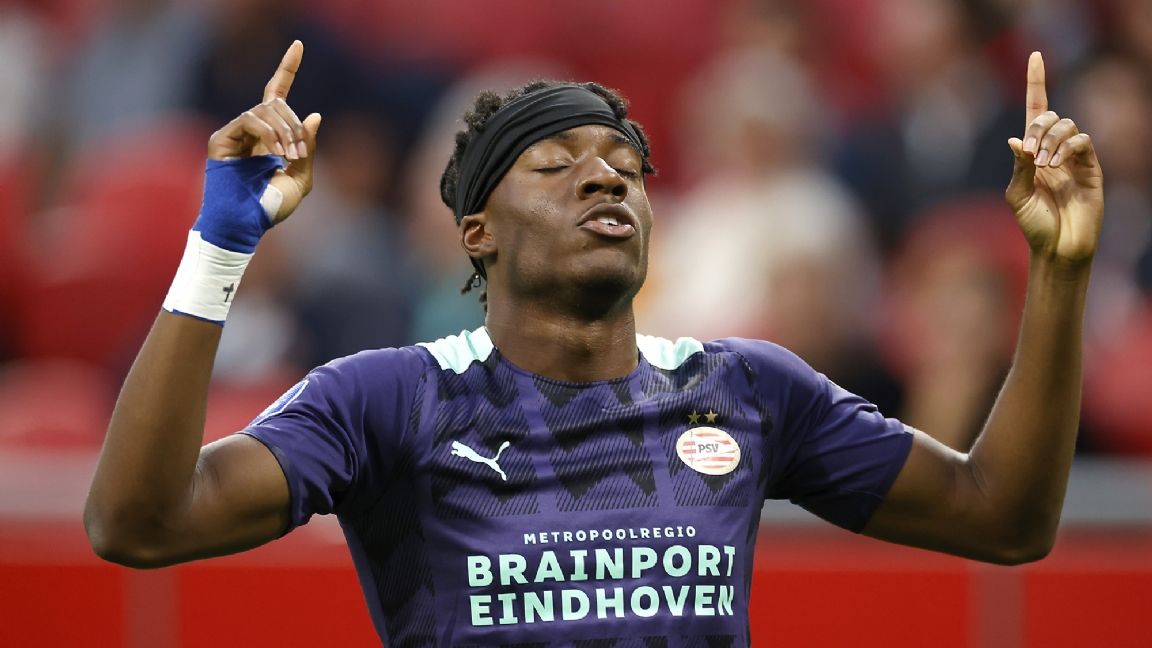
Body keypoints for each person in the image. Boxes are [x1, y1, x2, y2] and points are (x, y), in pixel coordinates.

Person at [84, 41, 1104, 646]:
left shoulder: (746, 390)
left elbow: (1004, 516)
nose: (606, 176)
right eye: (556, 163)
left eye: (625, 164)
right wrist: (221, 246)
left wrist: (1059, 271)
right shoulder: (385, 399)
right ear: (477, 232)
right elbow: (138, 522)